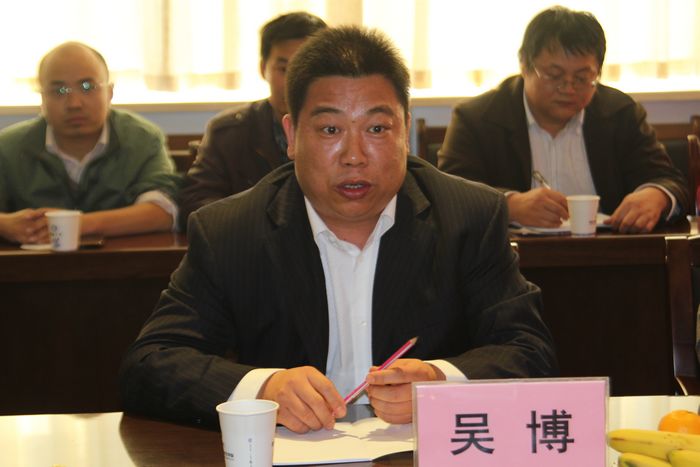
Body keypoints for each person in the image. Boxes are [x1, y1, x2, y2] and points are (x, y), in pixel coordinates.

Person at [119, 26, 557, 433]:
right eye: (330, 129)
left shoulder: (469, 217)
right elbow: (150, 364)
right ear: (292, 136)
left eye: (377, 129)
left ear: (405, 131)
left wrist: (439, 382)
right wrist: (264, 388)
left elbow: (529, 350)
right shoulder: (231, 231)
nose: (354, 155)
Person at [438, 6, 689, 234]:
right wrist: (509, 205)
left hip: (607, 255)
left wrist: (656, 196)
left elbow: (670, 181)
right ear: (524, 64)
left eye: (582, 78)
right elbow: (449, 195)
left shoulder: (620, 114)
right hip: (510, 261)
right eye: (554, 75)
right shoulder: (477, 119)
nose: (568, 88)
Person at [0, 41, 179, 244]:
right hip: (33, 264)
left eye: (87, 87)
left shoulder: (142, 139)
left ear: (109, 93)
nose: (74, 104)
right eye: (59, 91)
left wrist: (78, 224)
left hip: (123, 262)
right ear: (42, 97)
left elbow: (163, 212)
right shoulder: (8, 147)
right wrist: (4, 224)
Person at [177, 11, 327, 230]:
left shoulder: (344, 128)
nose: (294, 81)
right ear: (263, 69)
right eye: (284, 69)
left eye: (306, 69)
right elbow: (196, 203)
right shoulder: (229, 132)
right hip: (251, 244)